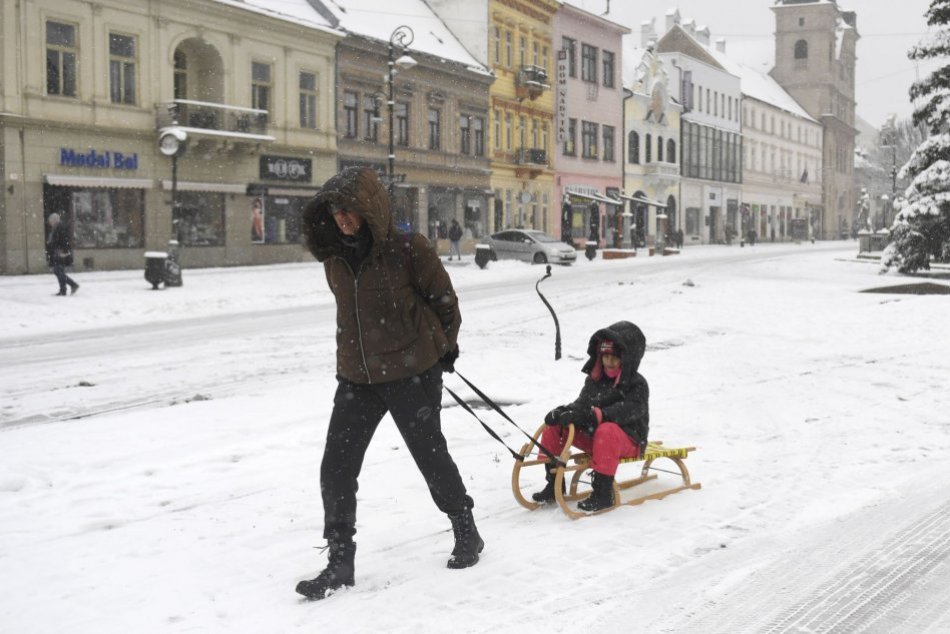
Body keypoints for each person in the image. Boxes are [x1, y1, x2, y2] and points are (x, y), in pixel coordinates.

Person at [295, 167, 483, 601]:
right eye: (335, 211)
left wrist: (442, 350)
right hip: (357, 377)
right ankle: (340, 562)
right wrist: (349, 362)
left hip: (411, 373)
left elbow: (445, 303)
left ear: (369, 207)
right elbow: (350, 318)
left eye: (349, 209)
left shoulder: (408, 249)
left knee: (430, 456)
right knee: (336, 467)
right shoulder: (335, 259)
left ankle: (466, 529)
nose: (342, 218)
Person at [533, 321, 649, 513]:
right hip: (597, 439)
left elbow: (628, 410)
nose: (609, 362)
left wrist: (598, 415)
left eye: (614, 358)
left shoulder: (637, 384)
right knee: (555, 427)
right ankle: (554, 483)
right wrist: (563, 412)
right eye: (605, 357)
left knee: (607, 430)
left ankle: (603, 493)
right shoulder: (595, 380)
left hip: (629, 440)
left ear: (627, 359)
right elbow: (582, 404)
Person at [45, 213, 79, 296]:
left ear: (55, 220)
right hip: (57, 252)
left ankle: (73, 285)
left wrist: (64, 251)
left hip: (60, 252)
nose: (50, 223)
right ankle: (63, 290)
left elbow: (64, 240)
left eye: (51, 221)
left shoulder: (60, 228)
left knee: (58, 271)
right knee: (60, 271)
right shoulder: (56, 228)